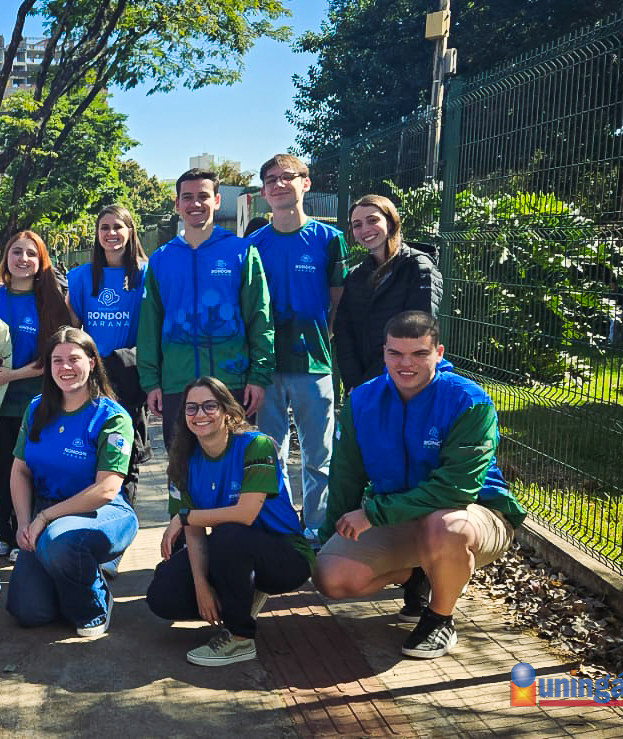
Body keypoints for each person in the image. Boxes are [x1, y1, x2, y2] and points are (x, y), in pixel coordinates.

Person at [314, 311, 526, 659]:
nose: (405, 363)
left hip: (471, 514)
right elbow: (345, 474)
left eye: (419, 353)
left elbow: (455, 490)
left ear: (438, 353)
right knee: (331, 576)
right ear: (384, 352)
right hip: (398, 516)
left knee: (444, 527)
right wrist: (329, 536)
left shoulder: (469, 401)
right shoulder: (362, 400)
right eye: (395, 353)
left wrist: (373, 514)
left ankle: (439, 618)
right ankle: (419, 574)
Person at [146, 377, 314, 667]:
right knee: (163, 593)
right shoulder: (183, 460)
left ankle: (240, 638)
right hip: (233, 552)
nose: (200, 414)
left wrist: (184, 517)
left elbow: (245, 514)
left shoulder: (256, 445)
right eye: (191, 408)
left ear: (228, 411)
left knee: (229, 534)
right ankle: (242, 594)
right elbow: (194, 532)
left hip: (286, 555)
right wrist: (202, 587)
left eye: (210, 406)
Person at [5, 327, 138, 637]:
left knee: (60, 542)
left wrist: (44, 517)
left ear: (92, 362)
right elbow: (20, 470)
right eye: (57, 360)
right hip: (46, 511)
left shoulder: (112, 417)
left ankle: (95, 607)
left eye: (74, 359)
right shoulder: (37, 408)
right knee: (29, 611)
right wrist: (23, 522)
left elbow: (107, 488)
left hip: (101, 511)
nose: (65, 367)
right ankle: (69, 577)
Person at [249, 155, 348, 542]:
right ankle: (281, 529)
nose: (278, 184)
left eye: (286, 177)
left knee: (318, 457)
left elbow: (338, 302)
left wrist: (324, 337)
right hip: (266, 368)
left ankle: (317, 529)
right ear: (263, 192)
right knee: (270, 454)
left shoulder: (329, 239)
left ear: (305, 183)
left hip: (314, 364)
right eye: (270, 179)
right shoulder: (253, 245)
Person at [138, 168, 274, 448]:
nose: (195, 203)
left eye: (203, 196)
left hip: (231, 381)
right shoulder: (161, 259)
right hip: (178, 383)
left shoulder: (241, 251)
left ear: (217, 200)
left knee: (235, 463)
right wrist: (151, 382)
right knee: (181, 465)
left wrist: (259, 377)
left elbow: (260, 318)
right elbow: (150, 325)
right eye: (187, 197)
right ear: (177, 204)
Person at [0, 230, 73, 558]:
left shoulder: (51, 302)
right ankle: (4, 534)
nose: (23, 259)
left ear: (41, 260)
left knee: (33, 470)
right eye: (16, 252)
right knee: (2, 468)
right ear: (6, 257)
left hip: (36, 403)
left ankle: (31, 534)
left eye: (31, 253)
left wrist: (12, 375)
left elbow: (55, 357)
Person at [67, 204, 151, 500]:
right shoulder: (81, 277)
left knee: (126, 450)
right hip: (92, 376)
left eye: (118, 227)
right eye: (105, 227)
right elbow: (72, 330)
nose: (111, 233)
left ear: (131, 231)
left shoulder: (146, 273)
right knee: (90, 446)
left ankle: (124, 509)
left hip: (129, 373)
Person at [334, 194, 442, 392]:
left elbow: (418, 332)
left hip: (404, 381)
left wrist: (374, 382)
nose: (365, 229)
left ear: (391, 222)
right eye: (357, 225)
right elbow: (343, 331)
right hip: (362, 386)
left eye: (372, 220)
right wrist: (355, 383)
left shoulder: (418, 267)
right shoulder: (356, 275)